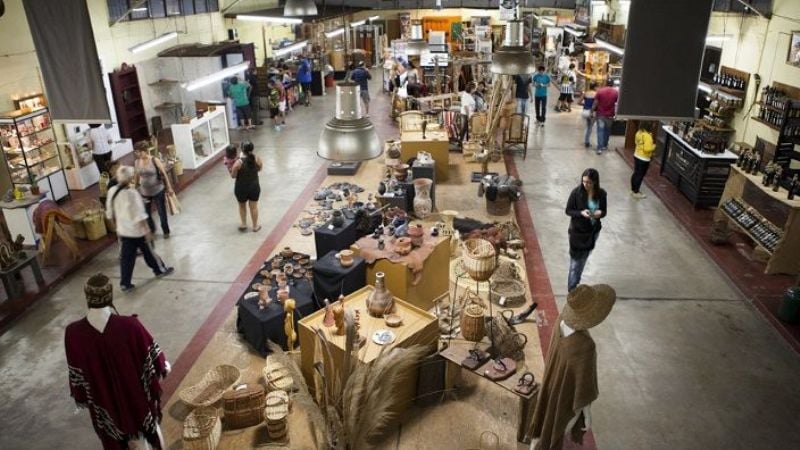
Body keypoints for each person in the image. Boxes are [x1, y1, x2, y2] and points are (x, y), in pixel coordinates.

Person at [65, 273, 171, 449]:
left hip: (104, 408)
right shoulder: (130, 326)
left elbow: (77, 378)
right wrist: (163, 368)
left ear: (87, 298)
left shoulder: (73, 334)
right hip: (138, 406)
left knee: (112, 442)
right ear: (110, 296)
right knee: (148, 440)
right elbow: (156, 361)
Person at [530, 283, 617, 450]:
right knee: (559, 427)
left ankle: (537, 443)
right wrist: (587, 412)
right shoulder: (586, 345)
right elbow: (583, 388)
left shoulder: (560, 320)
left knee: (547, 419)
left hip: (551, 384)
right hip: (567, 397)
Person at [106, 166, 174, 292]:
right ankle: (159, 269)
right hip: (137, 231)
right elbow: (139, 215)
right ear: (131, 178)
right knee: (149, 252)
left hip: (123, 231)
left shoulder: (112, 192)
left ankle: (125, 283)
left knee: (127, 258)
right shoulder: (132, 194)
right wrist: (147, 231)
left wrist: (117, 227)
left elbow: (109, 213)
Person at [565, 168, 607, 293]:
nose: (585, 185)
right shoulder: (576, 193)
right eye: (584, 182)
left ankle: (576, 281)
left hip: (593, 232)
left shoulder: (601, 194)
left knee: (583, 258)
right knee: (575, 260)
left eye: (589, 182)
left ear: (595, 182)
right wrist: (581, 213)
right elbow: (568, 210)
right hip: (578, 232)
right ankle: (572, 289)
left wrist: (600, 213)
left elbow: (604, 211)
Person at [133, 146, 173, 239]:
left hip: (158, 190)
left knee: (161, 212)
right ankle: (152, 229)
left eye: (139, 152)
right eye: (136, 152)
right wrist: (135, 188)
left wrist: (169, 187)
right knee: (146, 213)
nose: (137, 154)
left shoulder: (154, 160)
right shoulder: (137, 162)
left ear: (144, 151)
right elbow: (136, 175)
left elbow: (163, 173)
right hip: (144, 192)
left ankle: (165, 231)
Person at [231, 141, 263, 232]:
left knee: (242, 205)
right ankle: (255, 226)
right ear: (252, 149)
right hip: (254, 186)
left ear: (242, 150)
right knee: (253, 206)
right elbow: (260, 169)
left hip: (241, 187)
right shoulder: (256, 158)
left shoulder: (238, 162)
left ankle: (244, 224)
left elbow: (233, 175)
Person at [591, 79, 619, 154]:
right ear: (612, 84)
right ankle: (605, 145)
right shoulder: (616, 92)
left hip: (601, 115)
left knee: (600, 131)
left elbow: (595, 103)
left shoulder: (600, 91)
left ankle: (599, 148)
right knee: (607, 131)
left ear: (606, 84)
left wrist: (592, 112)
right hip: (610, 115)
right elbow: (617, 104)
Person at [630, 123, 657, 199]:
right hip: (644, 158)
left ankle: (633, 189)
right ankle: (636, 192)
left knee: (636, 173)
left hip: (637, 155)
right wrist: (654, 146)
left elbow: (636, 142)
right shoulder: (648, 136)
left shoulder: (639, 132)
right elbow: (647, 149)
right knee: (640, 175)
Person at [581, 82, 598, 148]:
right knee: (590, 128)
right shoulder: (596, 94)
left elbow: (578, 102)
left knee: (588, 127)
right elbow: (594, 105)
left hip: (585, 111)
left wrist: (585, 105)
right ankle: (587, 142)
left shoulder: (585, 93)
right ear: (595, 87)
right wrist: (591, 110)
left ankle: (586, 141)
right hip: (592, 112)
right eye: (597, 87)